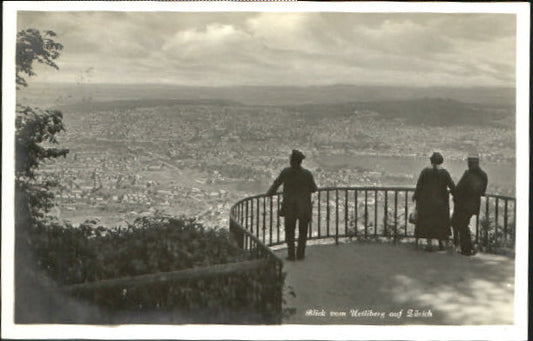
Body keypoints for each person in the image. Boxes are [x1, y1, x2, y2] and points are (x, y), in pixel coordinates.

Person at [267, 149, 317, 261]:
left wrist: (269, 193)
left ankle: (291, 254)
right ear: (300, 161)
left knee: (289, 232)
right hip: (303, 207)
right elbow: (314, 189)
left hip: (289, 207)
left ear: (292, 161)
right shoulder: (307, 174)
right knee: (302, 232)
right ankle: (300, 254)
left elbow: (276, 184)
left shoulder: (286, 172)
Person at [412, 152, 455, 251]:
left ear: (431, 161)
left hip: (426, 202)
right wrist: (456, 195)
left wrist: (416, 197)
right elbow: (452, 186)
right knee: (440, 222)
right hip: (440, 203)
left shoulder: (425, 172)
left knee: (428, 223)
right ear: (441, 161)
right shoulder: (444, 173)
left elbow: (419, 186)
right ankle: (441, 243)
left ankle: (429, 243)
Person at [451, 154, 488, 256]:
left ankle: (466, 250)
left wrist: (455, 196)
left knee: (461, 225)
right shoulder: (483, 175)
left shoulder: (468, 174)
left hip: (463, 205)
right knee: (463, 224)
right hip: (474, 205)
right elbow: (483, 192)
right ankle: (470, 247)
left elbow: (459, 188)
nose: (468, 165)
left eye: (469, 163)